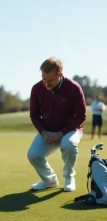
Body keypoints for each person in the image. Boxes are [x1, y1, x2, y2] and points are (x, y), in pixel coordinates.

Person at [27, 57, 86, 192]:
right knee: (33, 155)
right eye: (43, 79)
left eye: (50, 80)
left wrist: (62, 133)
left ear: (60, 75)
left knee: (68, 144)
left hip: (72, 130)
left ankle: (69, 177)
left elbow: (81, 115)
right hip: (48, 131)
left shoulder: (74, 88)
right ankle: (49, 180)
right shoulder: (37, 88)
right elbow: (34, 115)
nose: (46, 83)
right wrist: (43, 132)